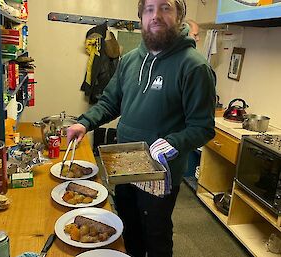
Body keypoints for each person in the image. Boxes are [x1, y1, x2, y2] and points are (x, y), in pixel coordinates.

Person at [67, 0, 216, 256]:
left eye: (165, 7)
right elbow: (110, 102)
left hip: (160, 171)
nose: (156, 15)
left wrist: (173, 143)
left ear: (179, 15)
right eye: (149, 9)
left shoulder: (194, 66)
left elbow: (203, 128)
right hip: (124, 162)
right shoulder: (129, 60)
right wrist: (85, 122)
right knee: (128, 229)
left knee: (156, 236)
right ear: (141, 17)